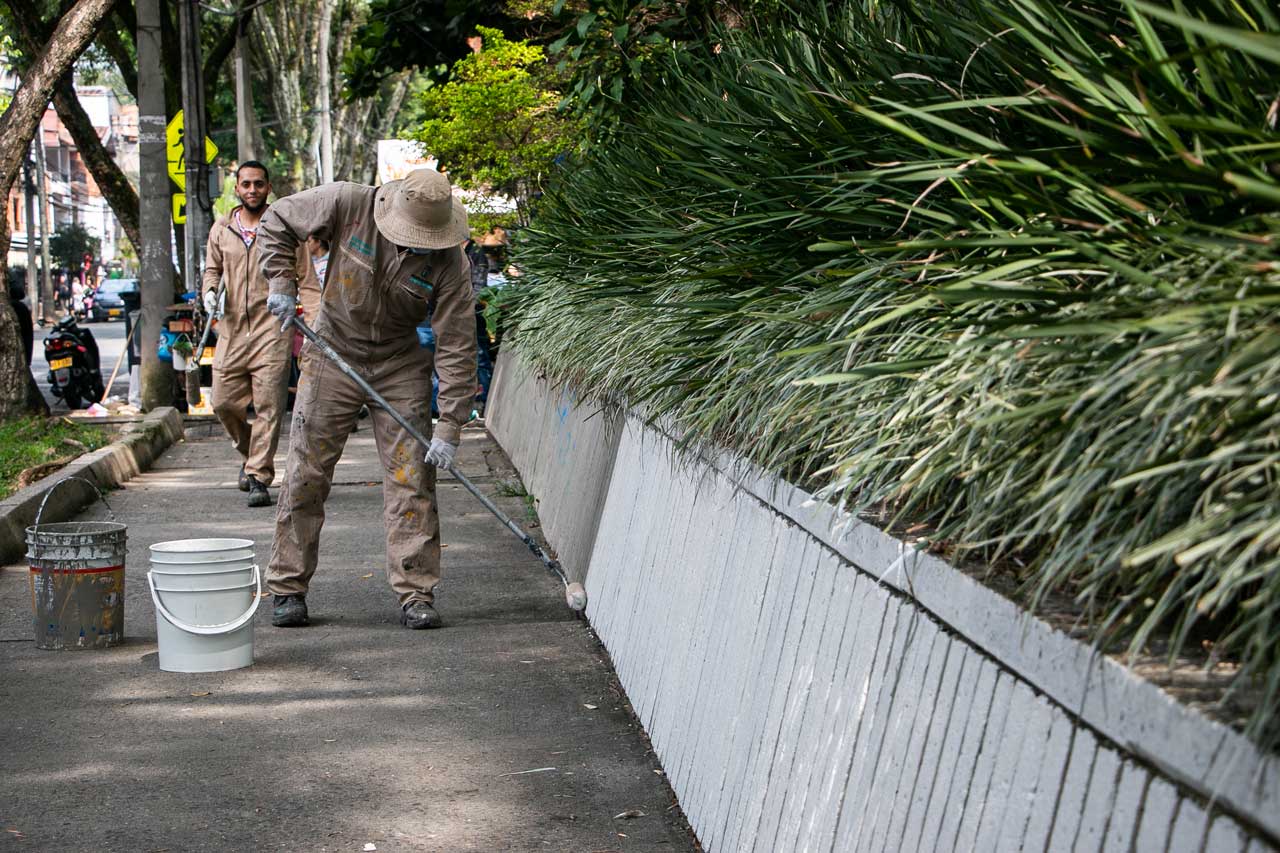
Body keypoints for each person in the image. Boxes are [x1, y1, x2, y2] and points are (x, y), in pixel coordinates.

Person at [256, 169, 477, 630]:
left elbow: (456, 343)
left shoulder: (451, 263)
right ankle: (288, 586)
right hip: (332, 351)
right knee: (306, 472)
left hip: (400, 364)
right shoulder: (348, 203)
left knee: (412, 479)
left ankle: (415, 591)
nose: (419, 246)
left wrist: (450, 425)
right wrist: (281, 282)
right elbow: (277, 220)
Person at [202, 160, 316, 508]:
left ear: (269, 188)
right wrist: (209, 292)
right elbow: (212, 270)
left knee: (269, 406)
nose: (252, 190)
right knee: (223, 403)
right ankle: (251, 454)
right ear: (237, 188)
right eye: (246, 184)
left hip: (273, 332)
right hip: (232, 331)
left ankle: (258, 476)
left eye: (259, 184)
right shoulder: (221, 229)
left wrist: (314, 327)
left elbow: (308, 281)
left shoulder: (284, 229)